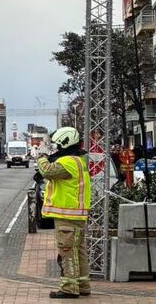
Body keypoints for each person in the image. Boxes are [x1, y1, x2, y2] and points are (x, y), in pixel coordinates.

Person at [36, 126, 92, 299]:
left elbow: (48, 170)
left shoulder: (67, 162)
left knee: (67, 251)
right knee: (79, 250)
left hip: (67, 216)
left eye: (57, 145)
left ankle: (69, 288)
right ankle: (83, 284)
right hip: (77, 215)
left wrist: (42, 157)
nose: (56, 148)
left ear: (64, 142)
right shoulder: (78, 160)